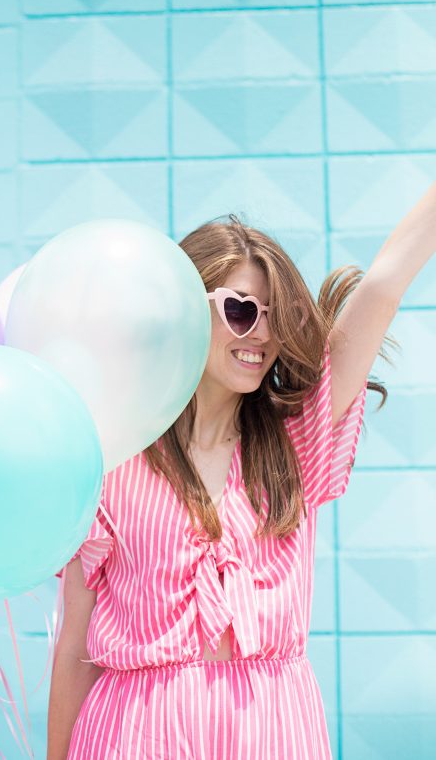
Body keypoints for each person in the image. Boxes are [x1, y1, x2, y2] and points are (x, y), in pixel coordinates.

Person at [47, 182, 436, 760]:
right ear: (184, 309)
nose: (261, 334)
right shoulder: (110, 461)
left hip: (275, 732)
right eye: (240, 310)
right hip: (134, 734)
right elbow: (74, 645)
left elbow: (383, 283)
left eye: (276, 318)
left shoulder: (296, 444)